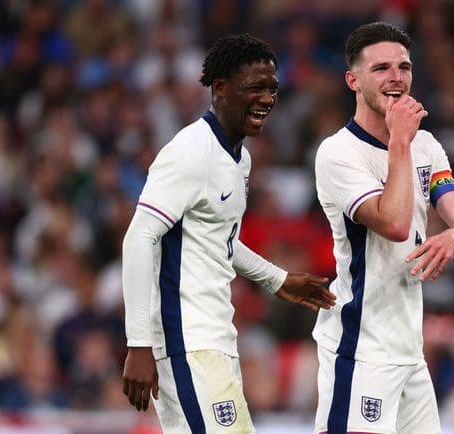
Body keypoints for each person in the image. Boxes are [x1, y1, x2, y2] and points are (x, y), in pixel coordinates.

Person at [121, 33, 336, 433]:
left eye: (273, 88)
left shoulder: (239, 159)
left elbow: (219, 240)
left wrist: (277, 279)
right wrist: (138, 343)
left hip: (215, 338)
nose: (268, 99)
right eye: (256, 87)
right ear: (220, 88)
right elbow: (140, 237)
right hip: (186, 340)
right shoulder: (190, 152)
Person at [312, 22, 454, 434]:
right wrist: (400, 144)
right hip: (359, 348)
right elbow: (393, 222)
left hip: (409, 352)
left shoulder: (427, 146)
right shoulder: (338, 153)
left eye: (404, 67)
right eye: (382, 68)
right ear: (353, 80)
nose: (396, 77)